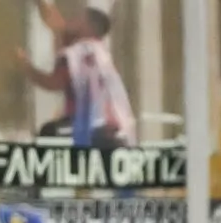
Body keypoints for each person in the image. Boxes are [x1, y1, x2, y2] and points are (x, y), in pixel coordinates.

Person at [18, 1, 136, 148]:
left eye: (78, 18)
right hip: (118, 127)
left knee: (48, 133)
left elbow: (54, 83)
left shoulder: (76, 53)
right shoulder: (100, 52)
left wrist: (25, 67)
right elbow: (58, 26)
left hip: (94, 127)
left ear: (87, 27)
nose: (71, 20)